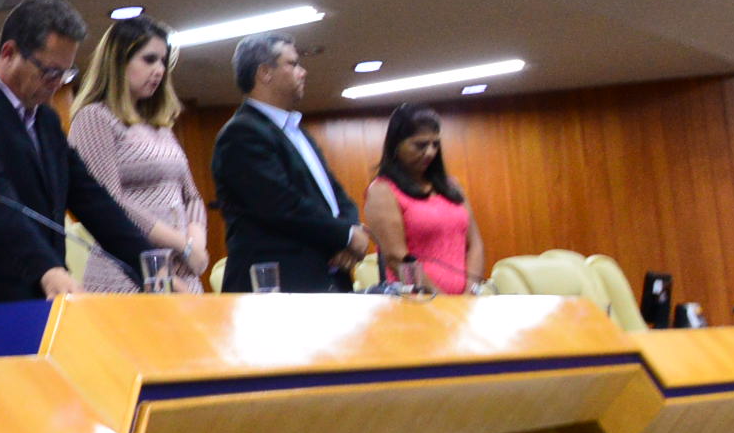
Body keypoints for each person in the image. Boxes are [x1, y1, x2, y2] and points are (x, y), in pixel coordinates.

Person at [0, 0, 186, 307]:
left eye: (66, 73)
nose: (57, 84)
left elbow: (92, 200)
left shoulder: (47, 121)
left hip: (44, 298)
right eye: (50, 71)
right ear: (9, 53)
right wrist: (47, 269)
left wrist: (149, 267)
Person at [210, 34, 368, 294]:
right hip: (277, 285)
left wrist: (350, 231)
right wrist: (347, 236)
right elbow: (282, 206)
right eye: (293, 64)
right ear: (265, 72)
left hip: (324, 278)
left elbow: (336, 194)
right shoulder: (241, 134)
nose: (303, 72)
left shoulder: (296, 131)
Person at [67, 15, 203, 294]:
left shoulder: (160, 125)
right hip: (125, 273)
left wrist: (196, 242)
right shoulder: (95, 117)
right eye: (149, 59)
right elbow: (108, 202)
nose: (159, 70)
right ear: (119, 62)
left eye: (163, 61)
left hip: (183, 271)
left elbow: (191, 196)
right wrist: (182, 243)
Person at [360, 104, 486, 296]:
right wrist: (439, 300)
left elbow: (475, 244)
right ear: (396, 145)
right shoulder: (382, 190)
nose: (430, 152)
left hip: (464, 301)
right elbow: (396, 258)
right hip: (417, 301)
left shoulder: (451, 185)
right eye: (420, 145)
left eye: (435, 144)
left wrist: (471, 290)